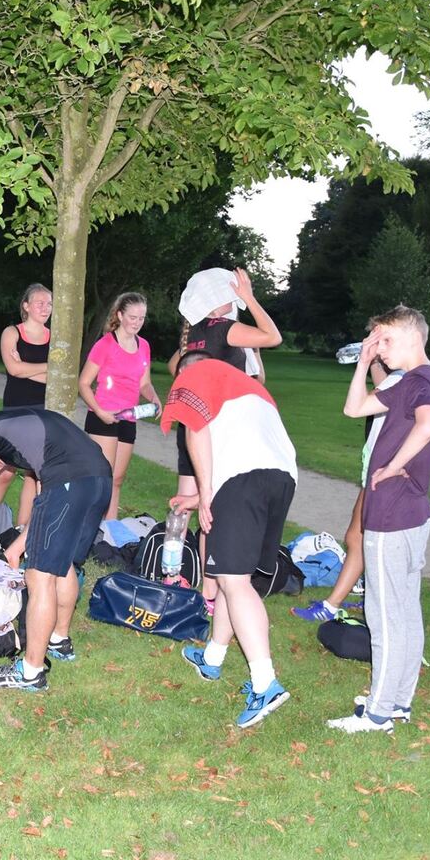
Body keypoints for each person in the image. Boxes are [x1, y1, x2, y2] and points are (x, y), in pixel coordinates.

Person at [326, 306, 430, 734]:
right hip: (409, 513)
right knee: (404, 611)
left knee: (383, 615)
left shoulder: (420, 381)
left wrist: (395, 464)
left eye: (386, 340)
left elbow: (429, 425)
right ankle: (398, 702)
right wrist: (363, 362)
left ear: (414, 336)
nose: (381, 348)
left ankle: (378, 713)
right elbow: (354, 408)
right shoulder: (413, 382)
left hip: (394, 514)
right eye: (376, 341)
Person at [163, 352, 297, 729]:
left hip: (244, 480)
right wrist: (202, 497)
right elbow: (242, 445)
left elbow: (196, 429)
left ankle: (265, 683)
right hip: (281, 477)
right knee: (227, 573)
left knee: (235, 583)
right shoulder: (249, 386)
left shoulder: (196, 374)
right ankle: (213, 658)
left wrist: (204, 491)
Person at [0, 408, 113, 691]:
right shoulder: (33, 430)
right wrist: (17, 547)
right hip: (101, 479)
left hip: (70, 481)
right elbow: (47, 507)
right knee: (63, 560)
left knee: (39, 575)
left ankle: (30, 672)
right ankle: (59, 639)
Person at [167, 267, 282, 613]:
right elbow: (273, 336)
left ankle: (173, 576)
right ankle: (210, 592)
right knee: (211, 508)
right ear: (221, 300)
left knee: (186, 503)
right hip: (219, 431)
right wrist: (250, 298)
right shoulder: (225, 328)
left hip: (191, 424)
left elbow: (177, 366)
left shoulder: (195, 334)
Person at [292, 346, 404, 622]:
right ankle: (370, 601)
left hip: (383, 473)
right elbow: (382, 387)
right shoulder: (399, 378)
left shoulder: (406, 379)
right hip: (378, 469)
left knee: (358, 537)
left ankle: (331, 606)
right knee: (362, 537)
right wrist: (374, 360)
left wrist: (364, 363)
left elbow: (356, 406)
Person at [77, 292, 163, 520]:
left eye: (141, 318)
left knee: (117, 479)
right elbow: (83, 384)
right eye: (132, 317)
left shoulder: (143, 346)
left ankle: (110, 528)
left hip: (129, 417)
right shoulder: (105, 345)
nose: (137, 323)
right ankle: (89, 527)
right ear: (119, 315)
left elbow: (144, 383)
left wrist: (153, 398)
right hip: (102, 415)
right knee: (102, 478)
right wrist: (100, 412)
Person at [0, 283, 53, 527]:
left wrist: (27, 369)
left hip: (44, 411)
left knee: (34, 473)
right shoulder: (12, 333)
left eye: (49, 303)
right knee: (7, 470)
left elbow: (61, 378)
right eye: (39, 302)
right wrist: (48, 368)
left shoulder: (56, 338)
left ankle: (22, 529)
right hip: (16, 410)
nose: (45, 308)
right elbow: (13, 370)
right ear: (26, 306)